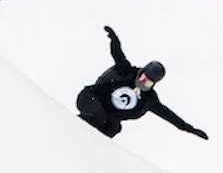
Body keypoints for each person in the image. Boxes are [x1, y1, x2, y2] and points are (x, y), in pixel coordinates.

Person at [76, 25, 208, 140]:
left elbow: (168, 115)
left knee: (113, 128)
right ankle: (70, 126)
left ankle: (88, 147)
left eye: (148, 83)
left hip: (107, 113)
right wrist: (114, 38)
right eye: (143, 78)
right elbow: (118, 54)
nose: (142, 83)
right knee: (98, 117)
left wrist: (189, 128)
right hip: (90, 98)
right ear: (141, 72)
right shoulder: (126, 71)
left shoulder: (148, 100)